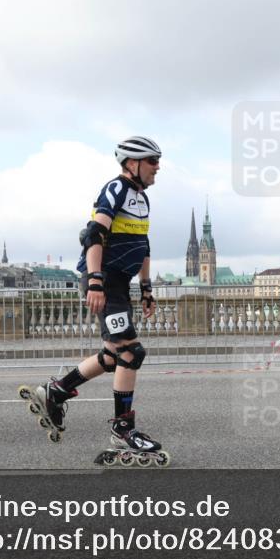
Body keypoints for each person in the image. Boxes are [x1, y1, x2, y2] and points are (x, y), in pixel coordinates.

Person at [19, 136, 168, 467]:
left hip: (120, 282)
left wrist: (146, 288)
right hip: (105, 279)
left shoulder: (142, 198)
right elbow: (94, 235)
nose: (158, 167)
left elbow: (143, 245)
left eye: (158, 160)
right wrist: (96, 280)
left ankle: (57, 391)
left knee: (113, 355)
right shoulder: (115, 189)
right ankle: (122, 429)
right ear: (132, 163)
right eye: (152, 160)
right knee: (130, 351)